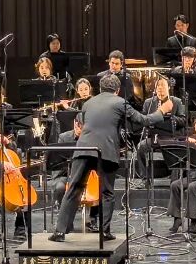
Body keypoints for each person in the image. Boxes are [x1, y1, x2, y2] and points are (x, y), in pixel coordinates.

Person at [49, 73, 173, 241]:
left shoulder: (88, 103)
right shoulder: (120, 102)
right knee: (107, 192)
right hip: (105, 151)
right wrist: (162, 110)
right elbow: (142, 120)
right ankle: (104, 232)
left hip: (83, 149)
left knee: (73, 189)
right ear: (117, 90)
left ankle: (59, 232)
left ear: (100, 88)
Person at [136, 76, 185, 179]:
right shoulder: (148, 102)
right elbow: (143, 120)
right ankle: (145, 176)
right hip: (154, 137)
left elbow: (183, 121)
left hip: (171, 137)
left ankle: (174, 179)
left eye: (163, 85)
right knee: (141, 147)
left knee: (177, 150)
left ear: (169, 87)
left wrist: (171, 118)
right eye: (158, 85)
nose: (160, 87)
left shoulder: (176, 101)